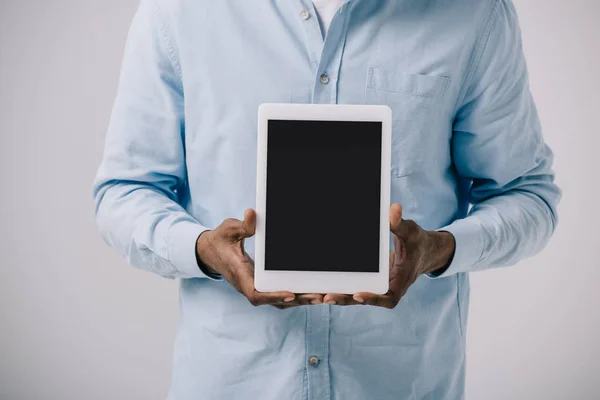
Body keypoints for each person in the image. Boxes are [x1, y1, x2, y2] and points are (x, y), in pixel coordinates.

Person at [92, 0, 561, 398]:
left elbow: (527, 194)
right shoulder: (181, 11)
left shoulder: (473, 13)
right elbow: (125, 191)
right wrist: (200, 250)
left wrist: (441, 249)